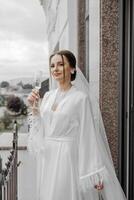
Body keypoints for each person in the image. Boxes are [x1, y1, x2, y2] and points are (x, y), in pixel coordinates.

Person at [27, 50, 127, 200]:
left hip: (67, 157)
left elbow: (88, 136)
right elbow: (42, 129)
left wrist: (94, 172)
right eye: (52, 65)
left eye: (61, 64)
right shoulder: (47, 96)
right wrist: (34, 108)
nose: (55, 69)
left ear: (72, 68)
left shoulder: (81, 98)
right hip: (48, 158)